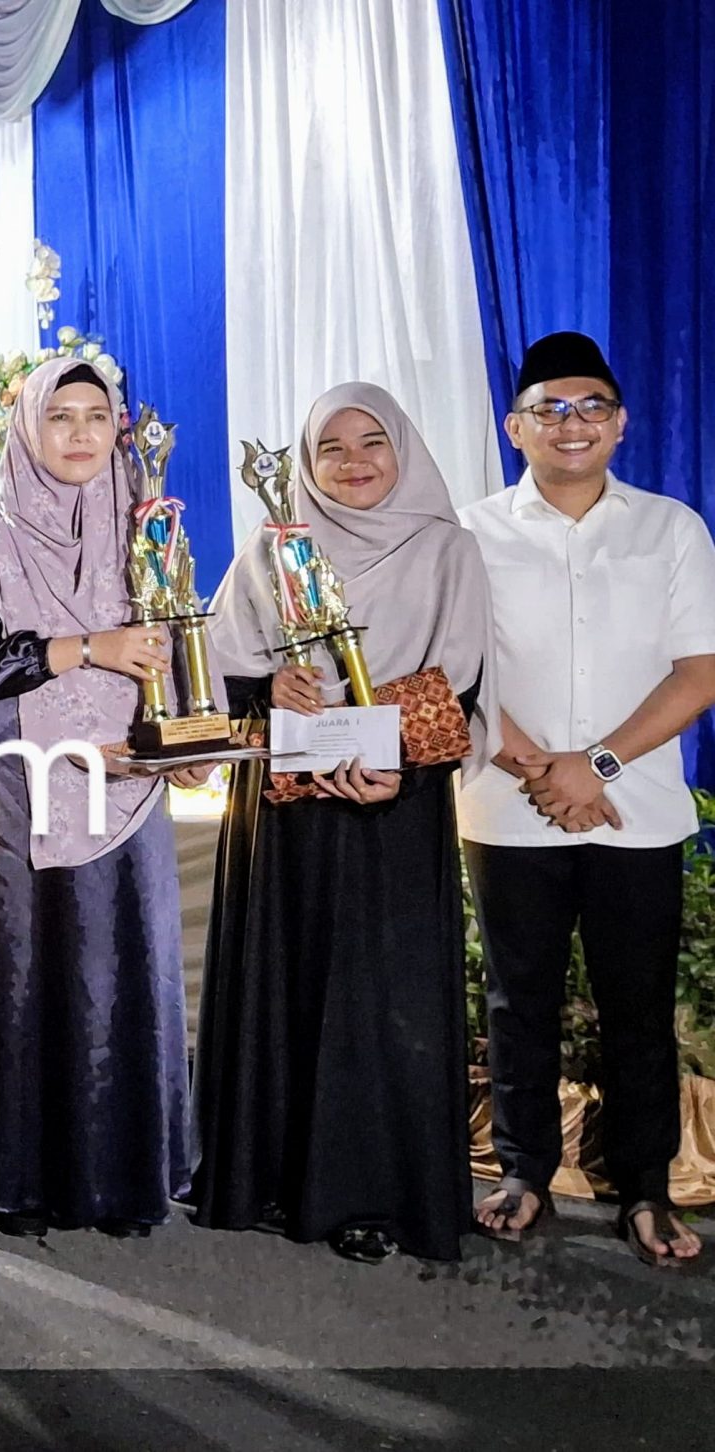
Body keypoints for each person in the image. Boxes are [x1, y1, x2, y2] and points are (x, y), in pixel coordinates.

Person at [193, 383, 491, 1263]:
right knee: (284, 985)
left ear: (404, 450)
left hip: (393, 811)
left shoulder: (447, 551)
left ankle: (373, 1194)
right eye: (331, 447)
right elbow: (218, 670)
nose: (353, 463)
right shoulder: (272, 549)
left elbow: (464, 683)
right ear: (307, 462)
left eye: (372, 443)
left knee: (380, 1001)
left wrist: (393, 761)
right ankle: (266, 1178)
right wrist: (270, 688)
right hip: (286, 819)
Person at [0, 357, 204, 1240]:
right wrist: (88, 647)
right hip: (16, 778)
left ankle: (118, 1178)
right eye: (60, 416)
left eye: (96, 416)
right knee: (19, 963)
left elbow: (180, 644)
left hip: (127, 774)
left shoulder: (148, 528)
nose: (81, 435)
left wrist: (191, 734)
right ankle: (12, 1178)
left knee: (117, 959)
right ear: (28, 427)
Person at [459, 331, 715, 1268]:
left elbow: (700, 671)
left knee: (637, 1008)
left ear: (622, 423)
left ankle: (646, 1190)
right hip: (507, 805)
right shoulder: (470, 533)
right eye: (551, 409)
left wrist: (594, 766)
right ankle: (523, 1173)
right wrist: (543, 770)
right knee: (516, 1000)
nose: (573, 424)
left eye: (592, 406)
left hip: (635, 813)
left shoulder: (671, 528)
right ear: (515, 427)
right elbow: (457, 669)